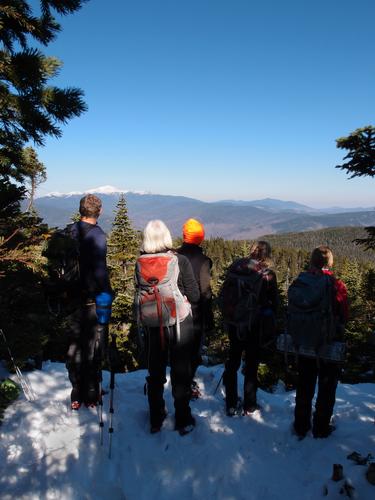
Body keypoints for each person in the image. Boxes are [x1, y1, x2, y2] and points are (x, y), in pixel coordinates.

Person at [135, 220, 199, 435]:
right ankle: (182, 417)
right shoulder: (179, 260)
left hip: (153, 321)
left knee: (155, 371)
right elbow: (195, 294)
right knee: (181, 370)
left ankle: (156, 416)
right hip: (179, 322)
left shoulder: (140, 262)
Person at [292, 245, 348, 439]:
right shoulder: (336, 285)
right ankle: (321, 428)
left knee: (305, 385)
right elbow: (343, 314)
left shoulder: (301, 281)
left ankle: (300, 425)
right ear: (329, 262)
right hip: (326, 344)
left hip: (304, 341)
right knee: (326, 387)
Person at [66, 194, 112, 410]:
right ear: (99, 211)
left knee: (75, 345)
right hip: (91, 299)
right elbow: (100, 272)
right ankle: (92, 392)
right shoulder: (98, 236)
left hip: (70, 298)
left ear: (80, 209)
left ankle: (76, 392)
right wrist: (106, 294)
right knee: (92, 345)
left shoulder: (69, 232)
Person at [222, 241, 278, 416]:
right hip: (254, 324)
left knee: (233, 361)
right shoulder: (267, 274)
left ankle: (231, 403)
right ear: (266, 254)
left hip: (233, 322)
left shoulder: (236, 267)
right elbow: (274, 303)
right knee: (251, 364)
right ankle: (250, 404)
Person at [178, 218, 214, 398]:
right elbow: (206, 292)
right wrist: (210, 318)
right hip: (196, 314)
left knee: (180, 351)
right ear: (200, 237)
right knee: (193, 352)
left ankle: (181, 383)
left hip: (176, 311)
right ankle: (187, 385)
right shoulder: (204, 261)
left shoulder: (174, 256)